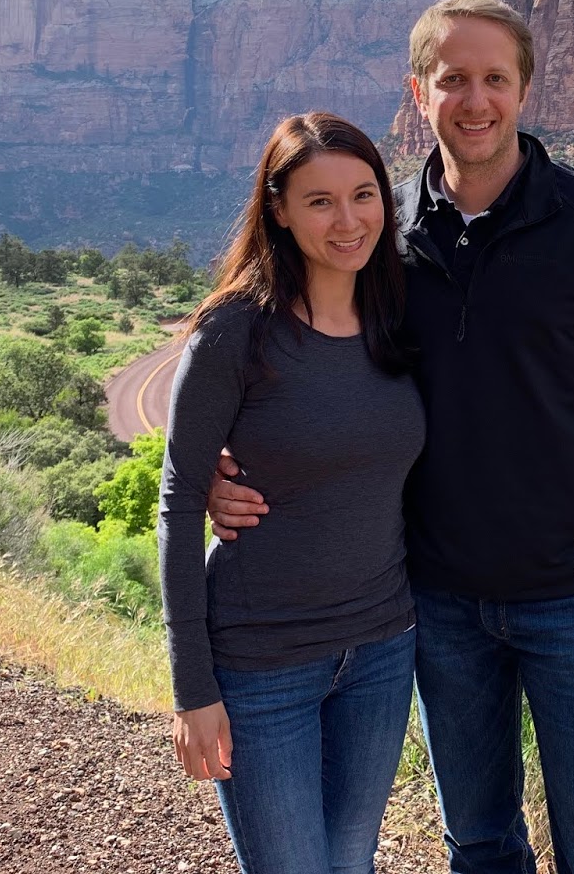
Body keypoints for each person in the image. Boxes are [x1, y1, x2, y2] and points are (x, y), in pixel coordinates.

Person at [210, 0, 574, 874]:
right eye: (452, 81)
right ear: (418, 91)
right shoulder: (380, 230)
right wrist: (218, 458)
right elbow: (290, 345)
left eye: (494, 79)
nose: (474, 101)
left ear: (524, 90)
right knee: (477, 844)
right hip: (435, 604)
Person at [158, 111, 425, 874]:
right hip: (262, 660)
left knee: (349, 864)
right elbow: (177, 506)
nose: (348, 220)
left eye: (364, 194)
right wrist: (192, 689)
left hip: (380, 649)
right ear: (277, 207)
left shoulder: (398, 317)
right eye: (319, 200)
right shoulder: (235, 331)